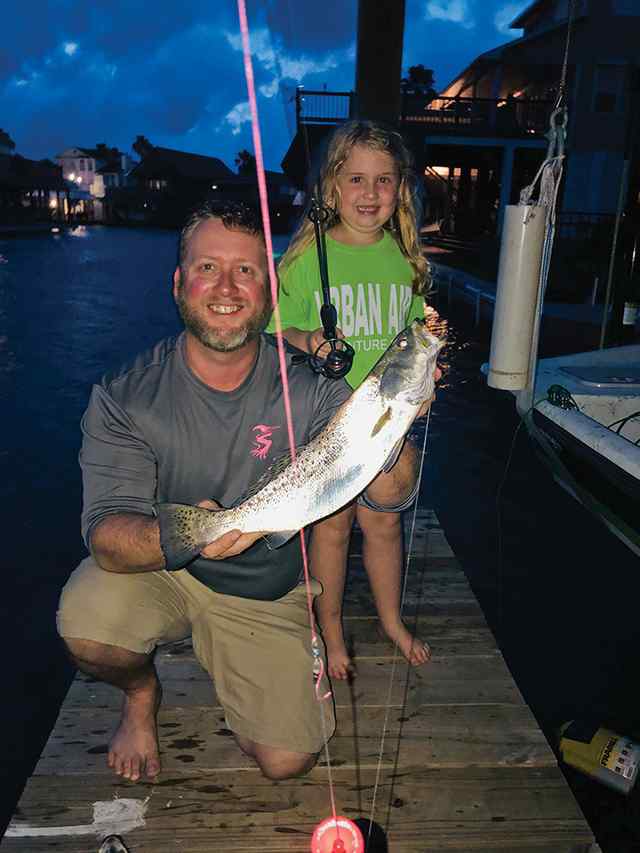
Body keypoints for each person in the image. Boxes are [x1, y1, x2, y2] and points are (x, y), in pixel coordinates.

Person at [56, 200, 426, 784]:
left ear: (270, 293)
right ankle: (141, 694)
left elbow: (388, 491)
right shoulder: (125, 395)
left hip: (267, 587)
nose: (226, 288)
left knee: (286, 762)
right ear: (178, 283)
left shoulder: (311, 385)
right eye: (208, 268)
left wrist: (397, 421)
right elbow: (106, 534)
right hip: (166, 569)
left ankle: (250, 649)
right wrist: (192, 535)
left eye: (246, 271)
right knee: (86, 625)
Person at [268, 120, 436, 680]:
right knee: (332, 527)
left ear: (400, 188)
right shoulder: (304, 259)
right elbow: (274, 332)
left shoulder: (404, 258)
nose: (370, 193)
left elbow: (417, 338)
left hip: (388, 423)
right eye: (356, 179)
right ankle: (331, 628)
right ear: (332, 187)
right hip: (326, 421)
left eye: (383, 180)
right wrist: (308, 339)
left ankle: (391, 620)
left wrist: (428, 383)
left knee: (384, 526)